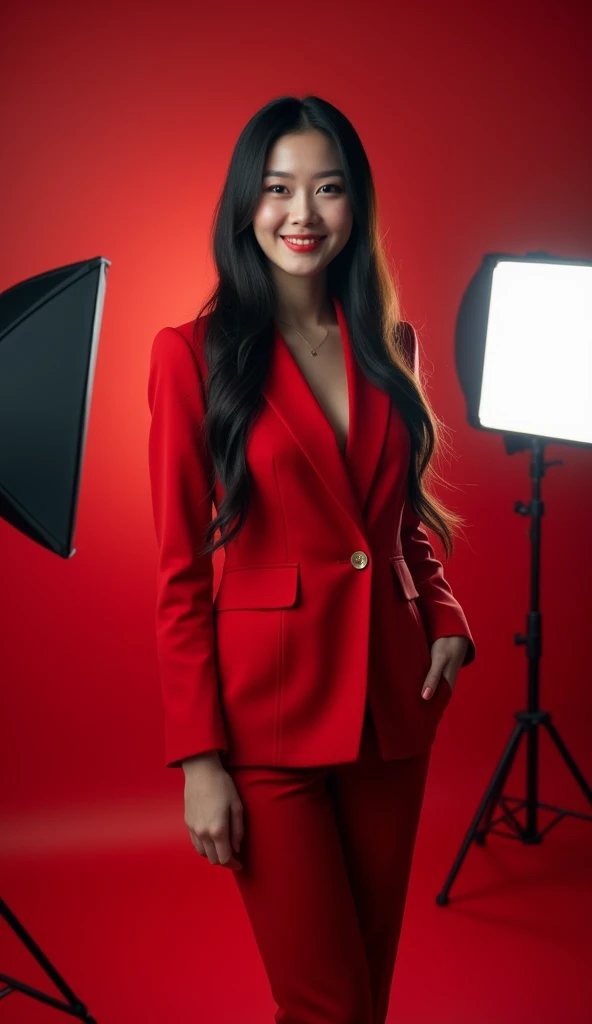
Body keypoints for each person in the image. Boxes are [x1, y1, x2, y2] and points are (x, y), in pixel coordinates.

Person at [147, 94, 476, 1024]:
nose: (303, 214)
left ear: (355, 206)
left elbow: (402, 519)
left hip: (392, 708)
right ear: (246, 205)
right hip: (267, 725)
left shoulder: (391, 346)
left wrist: (445, 617)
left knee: (365, 999)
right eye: (279, 188)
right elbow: (177, 575)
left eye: (327, 189)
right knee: (326, 1002)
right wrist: (198, 760)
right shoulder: (191, 358)